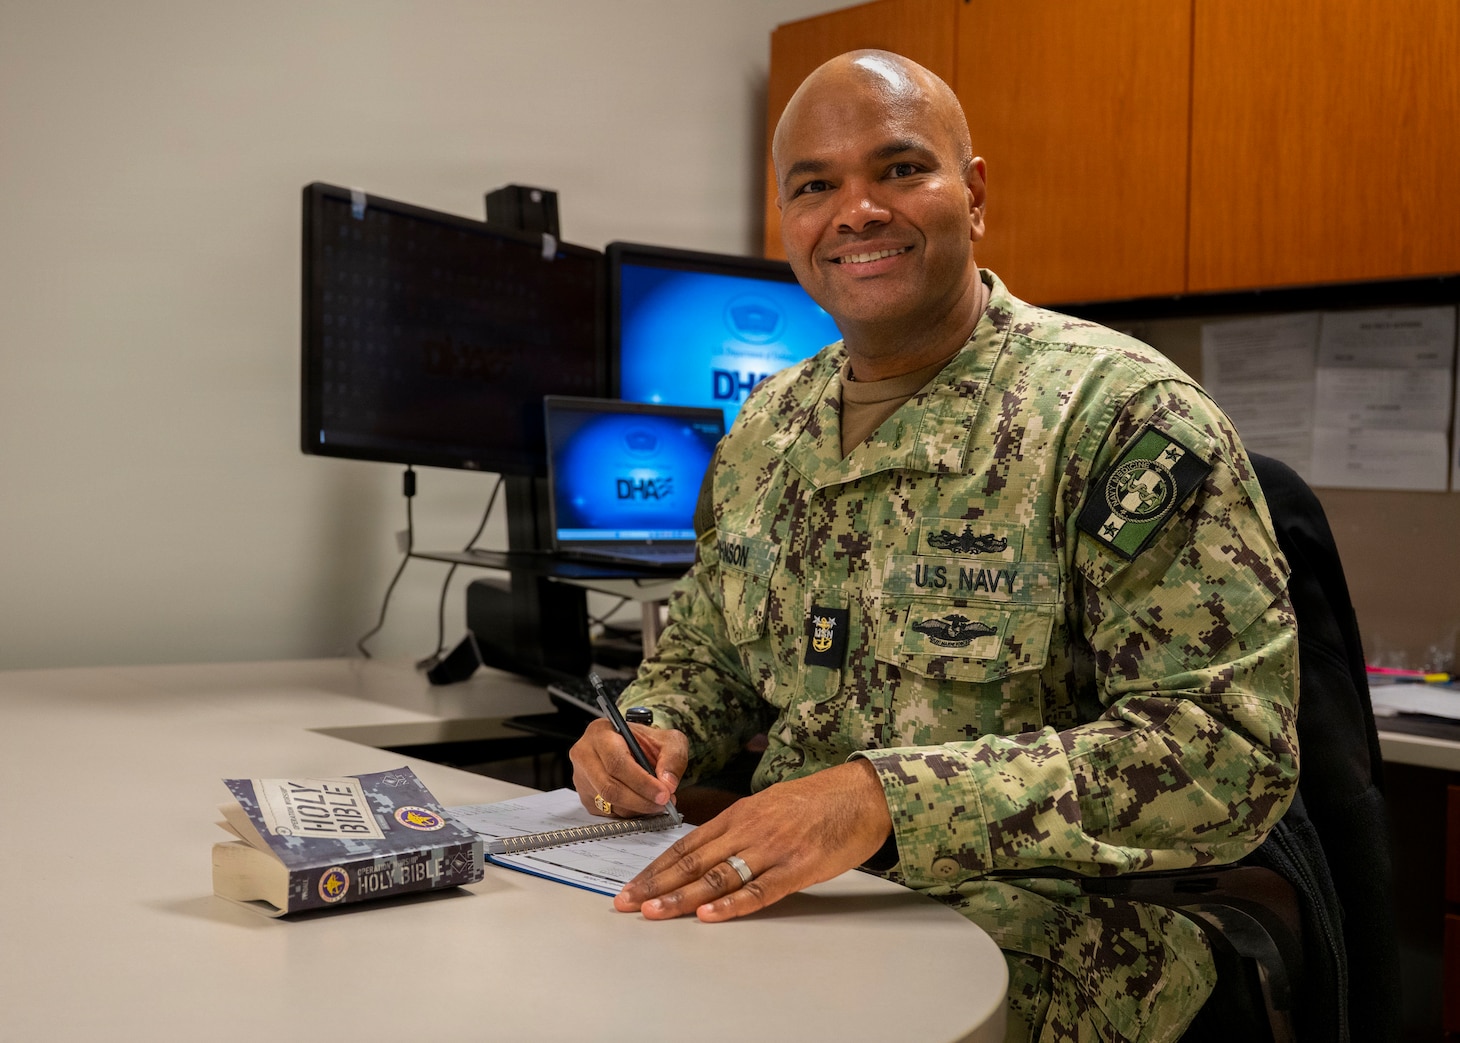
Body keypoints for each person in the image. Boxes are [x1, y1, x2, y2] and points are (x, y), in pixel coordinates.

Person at [568, 49, 1298, 1043]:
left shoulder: (1119, 417)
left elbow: (1225, 753)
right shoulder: (762, 431)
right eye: (815, 185)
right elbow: (708, 653)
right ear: (786, 221)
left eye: (898, 169)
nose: (855, 210)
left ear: (975, 194)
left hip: (1042, 951)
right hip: (781, 923)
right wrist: (643, 727)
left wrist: (881, 798)